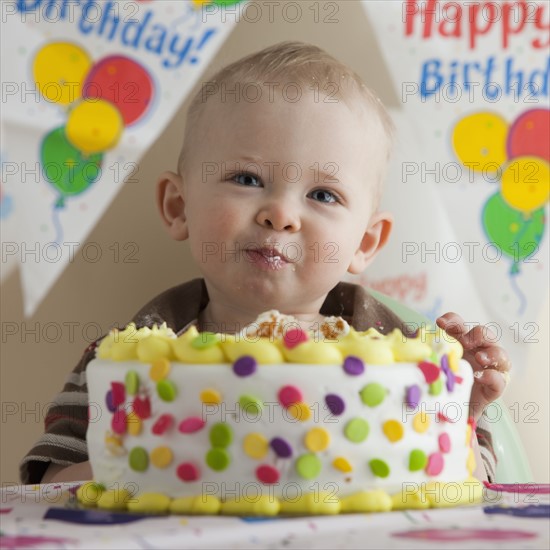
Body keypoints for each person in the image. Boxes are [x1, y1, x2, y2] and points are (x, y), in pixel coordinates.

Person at [21, 41, 510, 487]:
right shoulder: (123, 359)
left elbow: (475, 482)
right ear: (178, 206)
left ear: (364, 242)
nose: (280, 214)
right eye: (247, 178)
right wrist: (158, 460)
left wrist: (456, 410)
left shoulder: (400, 352)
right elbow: (47, 487)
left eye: (323, 194)